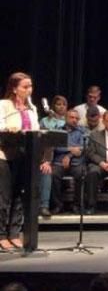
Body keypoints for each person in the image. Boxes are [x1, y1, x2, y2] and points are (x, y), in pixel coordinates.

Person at [0, 74, 42, 252]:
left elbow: (35, 130)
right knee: (4, 197)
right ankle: (1, 235)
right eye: (25, 87)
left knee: (19, 196)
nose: (29, 90)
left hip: (25, 157)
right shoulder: (4, 105)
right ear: (14, 88)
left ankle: (14, 233)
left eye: (30, 86)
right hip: (4, 155)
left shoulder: (32, 108)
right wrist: (8, 128)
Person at [50, 109, 86, 215]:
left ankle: (76, 205)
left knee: (81, 174)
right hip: (59, 162)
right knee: (53, 174)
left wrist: (69, 156)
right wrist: (71, 149)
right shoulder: (58, 130)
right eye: (72, 117)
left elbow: (82, 148)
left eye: (76, 118)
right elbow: (56, 147)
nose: (74, 120)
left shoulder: (82, 131)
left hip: (76, 162)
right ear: (65, 118)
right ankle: (58, 205)